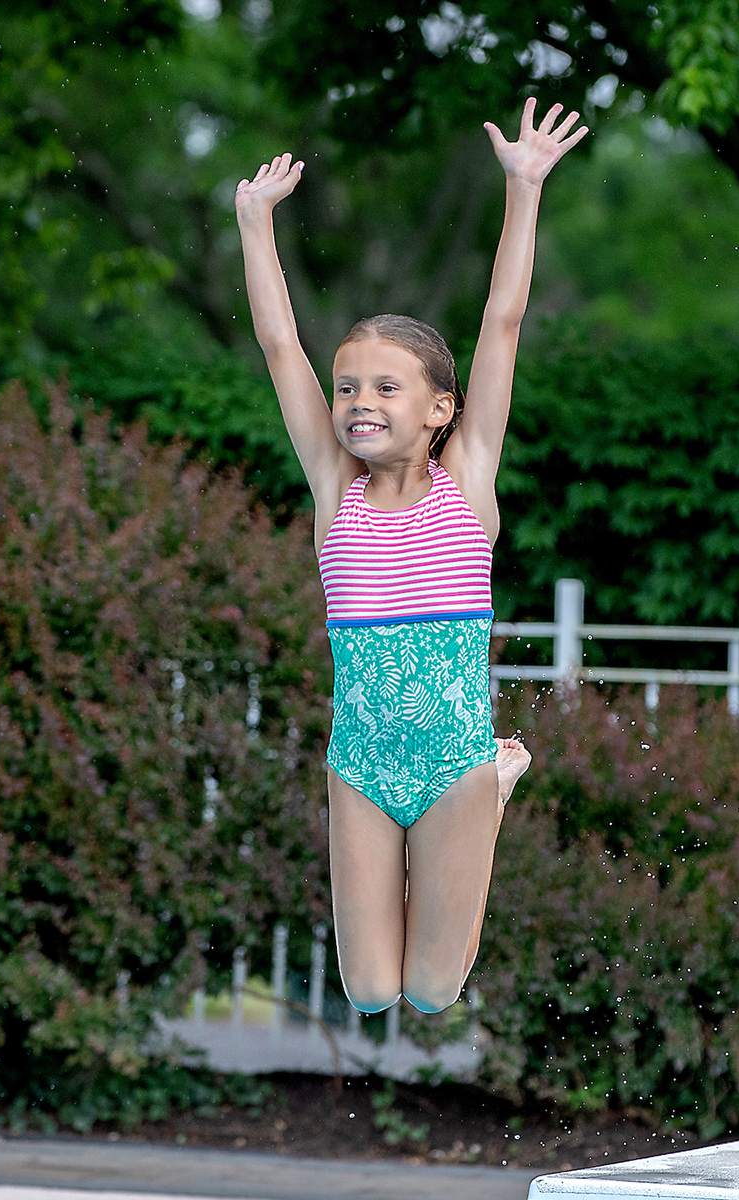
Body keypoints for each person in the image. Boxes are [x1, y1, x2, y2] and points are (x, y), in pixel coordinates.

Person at [234, 99, 587, 1015]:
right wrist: (254, 222)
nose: (360, 401)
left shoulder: (466, 483)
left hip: (456, 759)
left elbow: (503, 323)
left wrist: (524, 190)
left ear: (439, 410)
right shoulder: (334, 491)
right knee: (367, 992)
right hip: (360, 761)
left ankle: (497, 788)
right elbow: (279, 346)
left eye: (387, 388)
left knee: (431, 993)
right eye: (349, 386)